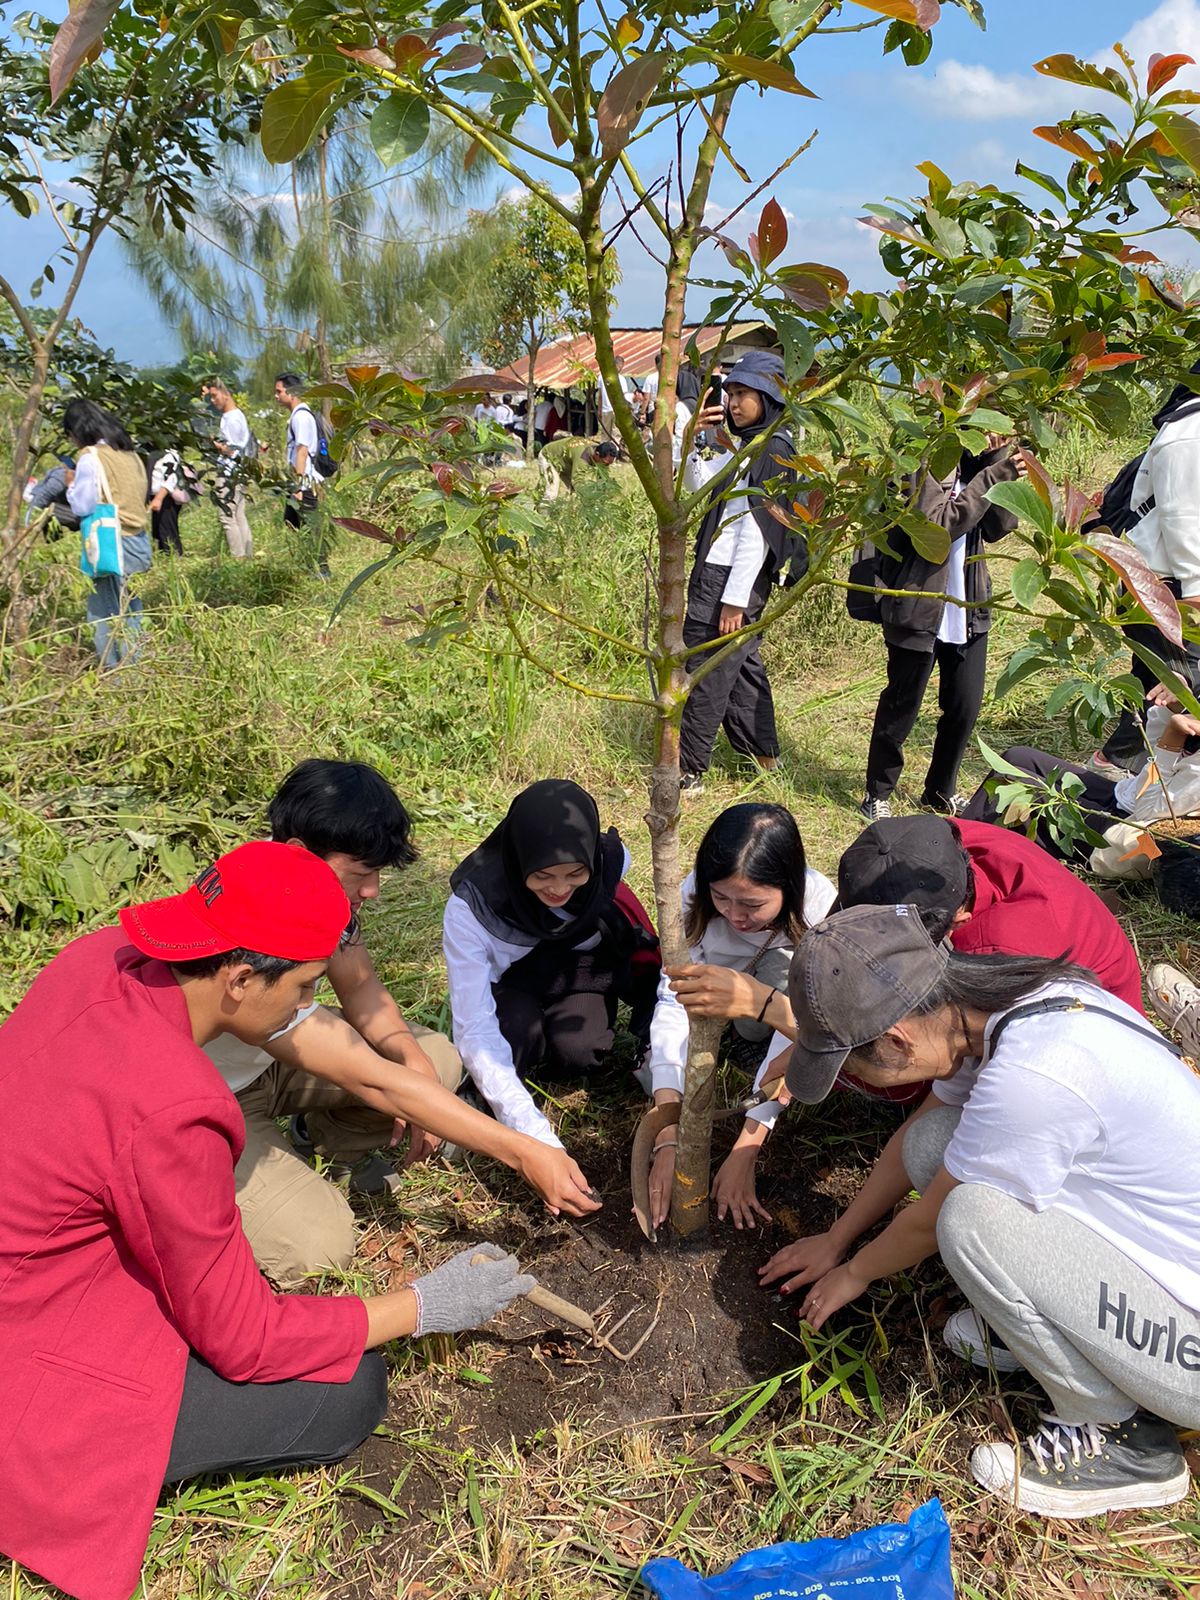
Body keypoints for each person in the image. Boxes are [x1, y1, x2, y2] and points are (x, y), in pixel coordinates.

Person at [0, 841, 535, 1600]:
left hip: (37, 1250)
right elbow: (245, 1340)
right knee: (346, 1389)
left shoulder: (104, 958)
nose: (305, 1008)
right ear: (241, 977)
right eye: (305, 987)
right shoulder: (173, 1106)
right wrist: (425, 1305)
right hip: (25, 1342)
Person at [760, 904, 1200, 1518]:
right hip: (1165, 1258)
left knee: (970, 1221)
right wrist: (837, 1237)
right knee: (933, 1141)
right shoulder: (1013, 1003)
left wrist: (854, 1272)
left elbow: (929, 1219)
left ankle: (1123, 1441)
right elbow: (915, 1144)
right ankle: (1057, 1333)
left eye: (855, 1067)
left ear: (896, 1038)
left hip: (1192, 1348)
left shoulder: (1037, 1073)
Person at [206, 760, 598, 1288]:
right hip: (212, 1101)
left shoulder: (314, 898)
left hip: (276, 1062)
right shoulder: (249, 927)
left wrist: (408, 1056)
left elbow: (362, 988)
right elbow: (367, 1075)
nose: (372, 891)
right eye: (360, 873)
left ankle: (327, 1145)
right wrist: (526, 1151)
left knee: (434, 1058)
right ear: (301, 854)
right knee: (320, 1245)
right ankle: (242, 1186)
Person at [443, 779, 660, 1167]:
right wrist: (537, 1139)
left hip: (576, 976)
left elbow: (642, 950)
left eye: (575, 873)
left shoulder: (609, 863)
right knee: (509, 1038)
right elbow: (475, 1027)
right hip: (512, 987)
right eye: (543, 876)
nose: (560, 889)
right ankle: (487, 1086)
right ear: (519, 859)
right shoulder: (473, 908)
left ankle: (550, 1041)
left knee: (580, 1050)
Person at [643, 803, 836, 1231]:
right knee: (656, 1068)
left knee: (777, 995)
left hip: (773, 993)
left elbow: (801, 1027)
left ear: (789, 888)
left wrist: (748, 1145)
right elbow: (675, 1001)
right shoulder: (691, 895)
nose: (733, 915)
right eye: (722, 899)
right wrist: (667, 1129)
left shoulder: (821, 908)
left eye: (752, 905)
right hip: (726, 992)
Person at [860, 438, 1022, 821]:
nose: (993, 433)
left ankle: (939, 791)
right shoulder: (927, 460)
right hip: (919, 605)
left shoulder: (976, 466)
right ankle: (877, 792)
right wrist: (992, 475)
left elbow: (1001, 526)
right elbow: (939, 526)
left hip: (968, 607)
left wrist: (997, 463)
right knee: (903, 705)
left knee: (964, 707)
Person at [837, 814, 1144, 1017]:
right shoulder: (933, 841)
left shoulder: (992, 951)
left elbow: (947, 1048)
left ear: (957, 922)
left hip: (1092, 1013)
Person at [678, 350, 801, 794]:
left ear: (768, 395)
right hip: (721, 569)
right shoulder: (749, 444)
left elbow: (757, 528)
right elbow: (700, 488)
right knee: (741, 664)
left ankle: (688, 768)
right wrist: (699, 440)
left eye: (743, 392)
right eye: (730, 392)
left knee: (708, 664)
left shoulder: (772, 448)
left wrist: (735, 596)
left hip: (732, 574)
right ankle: (765, 755)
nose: (732, 402)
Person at [1095, 366, 1200, 771]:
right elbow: (1183, 519)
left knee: (1155, 694)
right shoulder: (1191, 432)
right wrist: (1194, 595)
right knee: (1182, 689)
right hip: (1170, 590)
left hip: (1168, 586)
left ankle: (1123, 778)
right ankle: (1113, 773)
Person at [962, 698, 1200, 871]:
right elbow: (1151, 751)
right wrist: (1170, 710)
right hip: (1127, 797)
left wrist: (1172, 738)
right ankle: (964, 837)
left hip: (1125, 833)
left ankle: (957, 852)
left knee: (1013, 785)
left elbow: (1151, 811)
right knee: (1017, 757)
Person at [62, 398, 151, 669]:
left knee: (105, 613)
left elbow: (83, 504)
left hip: (112, 542)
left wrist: (70, 484)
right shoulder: (129, 454)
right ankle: (135, 668)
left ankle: (117, 674)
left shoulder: (91, 458)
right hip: (139, 540)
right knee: (131, 610)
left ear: (77, 431)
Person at [274, 372, 329, 576]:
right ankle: (308, 565)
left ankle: (321, 570)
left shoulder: (302, 417)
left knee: (311, 527)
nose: (276, 396)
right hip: (301, 482)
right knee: (292, 522)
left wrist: (298, 486)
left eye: (279, 391)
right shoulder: (298, 416)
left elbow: (302, 451)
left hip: (307, 483)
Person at [202, 377, 255, 559]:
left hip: (229, 472)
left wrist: (216, 445)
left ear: (226, 394)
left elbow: (232, 450)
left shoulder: (232, 419)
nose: (213, 400)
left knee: (227, 517)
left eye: (215, 396)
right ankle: (247, 555)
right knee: (239, 514)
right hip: (238, 471)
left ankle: (238, 556)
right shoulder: (236, 415)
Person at [538, 435, 618, 497]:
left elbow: (603, 478)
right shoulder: (583, 457)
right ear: (597, 455)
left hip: (567, 461)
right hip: (549, 457)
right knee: (552, 492)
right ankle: (543, 515)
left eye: (609, 464)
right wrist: (589, 496)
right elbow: (577, 480)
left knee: (575, 493)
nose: (606, 466)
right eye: (605, 463)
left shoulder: (602, 452)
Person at [147, 446, 190, 556]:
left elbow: (171, 479)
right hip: (156, 496)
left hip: (166, 496)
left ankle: (174, 556)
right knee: (158, 529)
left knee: (167, 529)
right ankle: (165, 555)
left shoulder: (169, 455)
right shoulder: (150, 452)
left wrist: (159, 499)